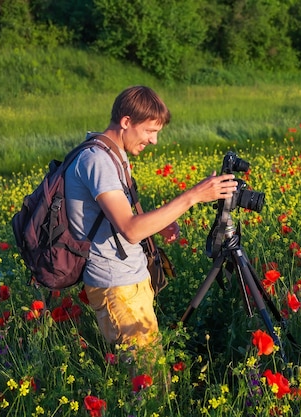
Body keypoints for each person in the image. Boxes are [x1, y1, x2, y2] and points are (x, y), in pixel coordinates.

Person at [64, 85, 237, 381]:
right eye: (149, 131)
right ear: (126, 121)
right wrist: (192, 196)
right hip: (116, 286)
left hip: (129, 281)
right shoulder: (98, 160)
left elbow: (123, 220)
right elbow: (131, 230)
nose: (154, 140)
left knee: (151, 379)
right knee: (149, 388)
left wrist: (159, 223)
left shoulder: (112, 154)